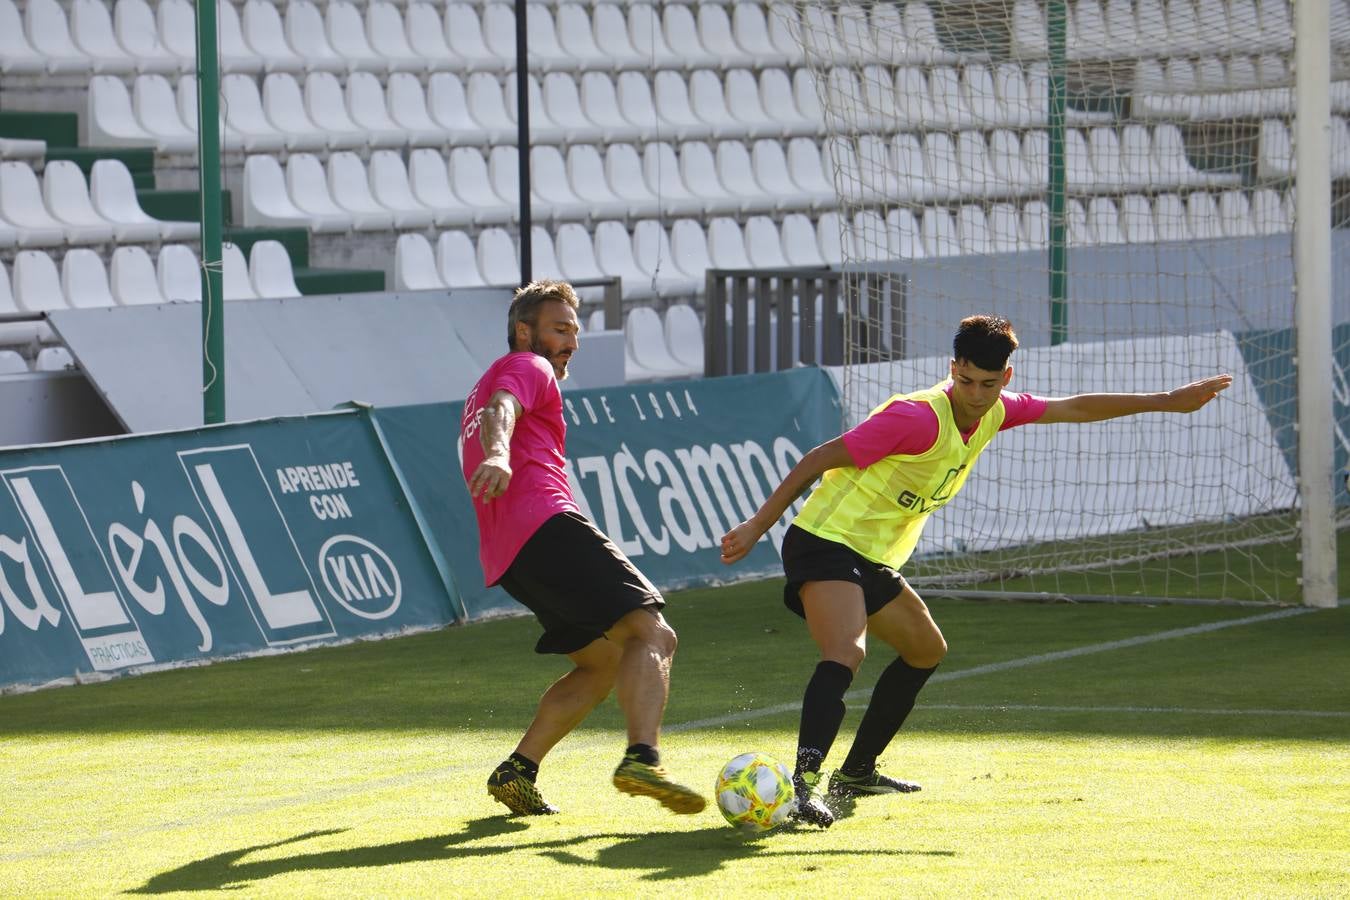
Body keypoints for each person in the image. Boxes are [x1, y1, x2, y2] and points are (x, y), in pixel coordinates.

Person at [719, 315, 1232, 828]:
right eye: (965, 381)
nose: (975, 394)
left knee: (926, 650)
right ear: (952, 369)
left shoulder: (997, 412)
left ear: (1005, 379)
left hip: (870, 556)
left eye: (988, 384)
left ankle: (856, 772)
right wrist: (756, 526)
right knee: (846, 652)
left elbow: (1074, 407)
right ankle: (803, 785)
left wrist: (1165, 400)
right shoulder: (915, 418)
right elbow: (817, 458)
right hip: (824, 542)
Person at [461, 280, 705, 818]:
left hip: (511, 557)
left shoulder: (488, 380)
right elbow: (500, 413)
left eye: (575, 330)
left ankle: (518, 770)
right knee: (653, 633)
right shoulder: (528, 367)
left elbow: (490, 409)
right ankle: (643, 758)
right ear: (525, 332)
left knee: (604, 663)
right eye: (559, 329)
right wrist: (500, 454)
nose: (571, 340)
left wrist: (500, 451)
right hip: (545, 526)